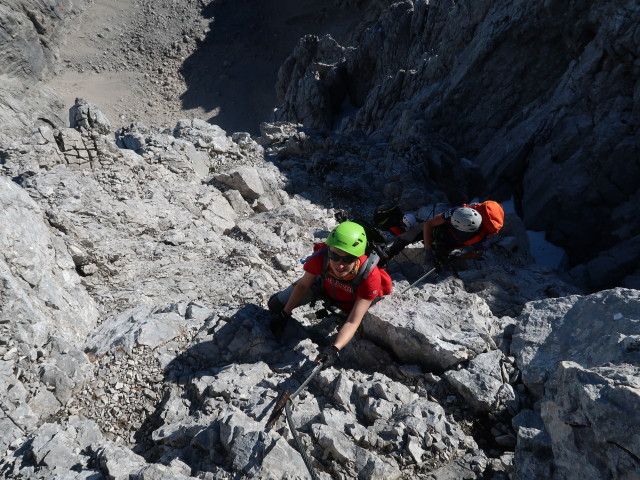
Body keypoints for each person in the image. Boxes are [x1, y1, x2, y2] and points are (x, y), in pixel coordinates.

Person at [267, 221, 392, 367]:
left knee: (364, 332)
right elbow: (303, 285)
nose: (339, 264)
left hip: (353, 303)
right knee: (274, 305)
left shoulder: (369, 275)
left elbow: (353, 321)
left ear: (358, 256)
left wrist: (334, 349)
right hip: (326, 290)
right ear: (329, 250)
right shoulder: (321, 257)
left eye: (348, 259)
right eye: (335, 255)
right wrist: (285, 313)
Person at [385, 201, 505, 268]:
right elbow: (429, 224)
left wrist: (455, 258)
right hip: (437, 232)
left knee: (435, 264)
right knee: (405, 238)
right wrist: (428, 249)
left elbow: (477, 253)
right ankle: (387, 256)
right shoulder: (457, 212)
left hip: (446, 245)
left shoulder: (481, 237)